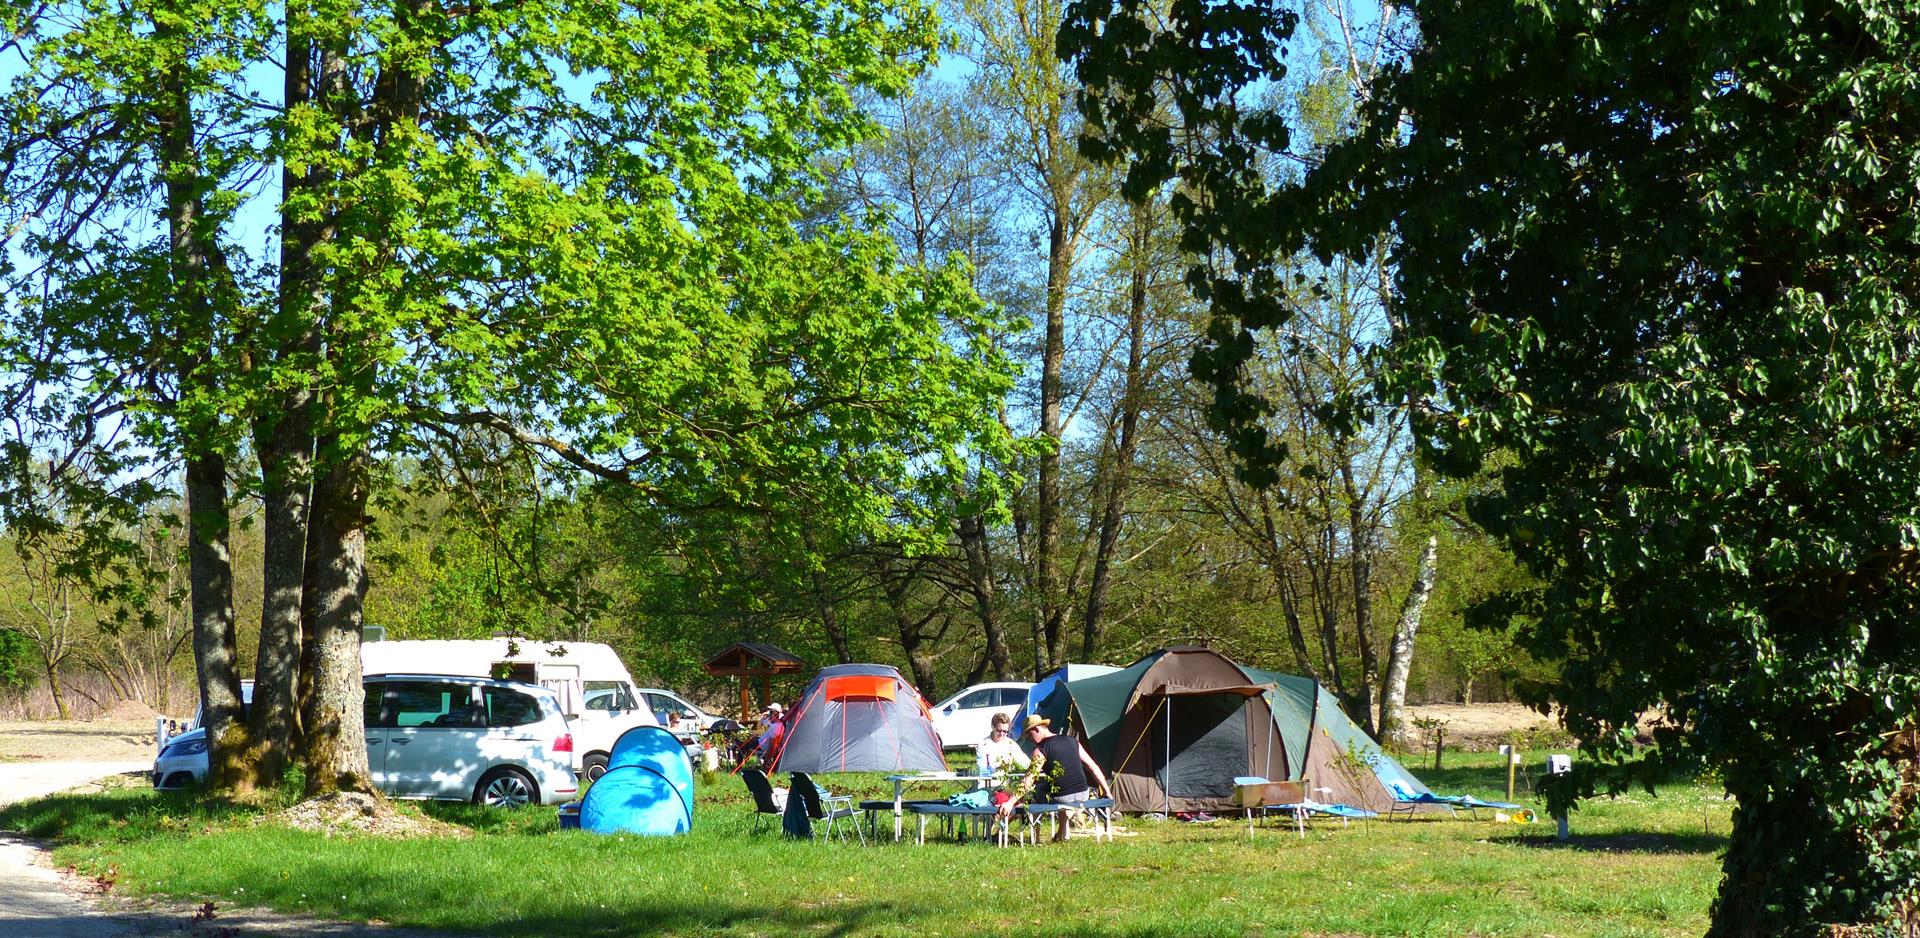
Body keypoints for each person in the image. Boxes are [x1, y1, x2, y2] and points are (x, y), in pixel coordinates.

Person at [997, 715, 1111, 842]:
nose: (1031, 740)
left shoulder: (1040, 750)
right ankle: (1062, 834)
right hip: (1083, 793)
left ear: (1036, 730)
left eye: (1029, 737)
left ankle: (1033, 837)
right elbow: (1093, 767)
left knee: (1035, 792)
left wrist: (1010, 802)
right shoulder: (1073, 741)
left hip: (1062, 797)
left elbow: (1029, 779)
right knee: (1054, 786)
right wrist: (1107, 792)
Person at [975, 711, 1030, 779]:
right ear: (992, 726)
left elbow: (1025, 762)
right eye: (999, 730)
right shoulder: (983, 745)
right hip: (986, 783)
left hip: (1006, 784)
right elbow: (982, 767)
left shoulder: (1011, 744)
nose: (1002, 734)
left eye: (1005, 731)